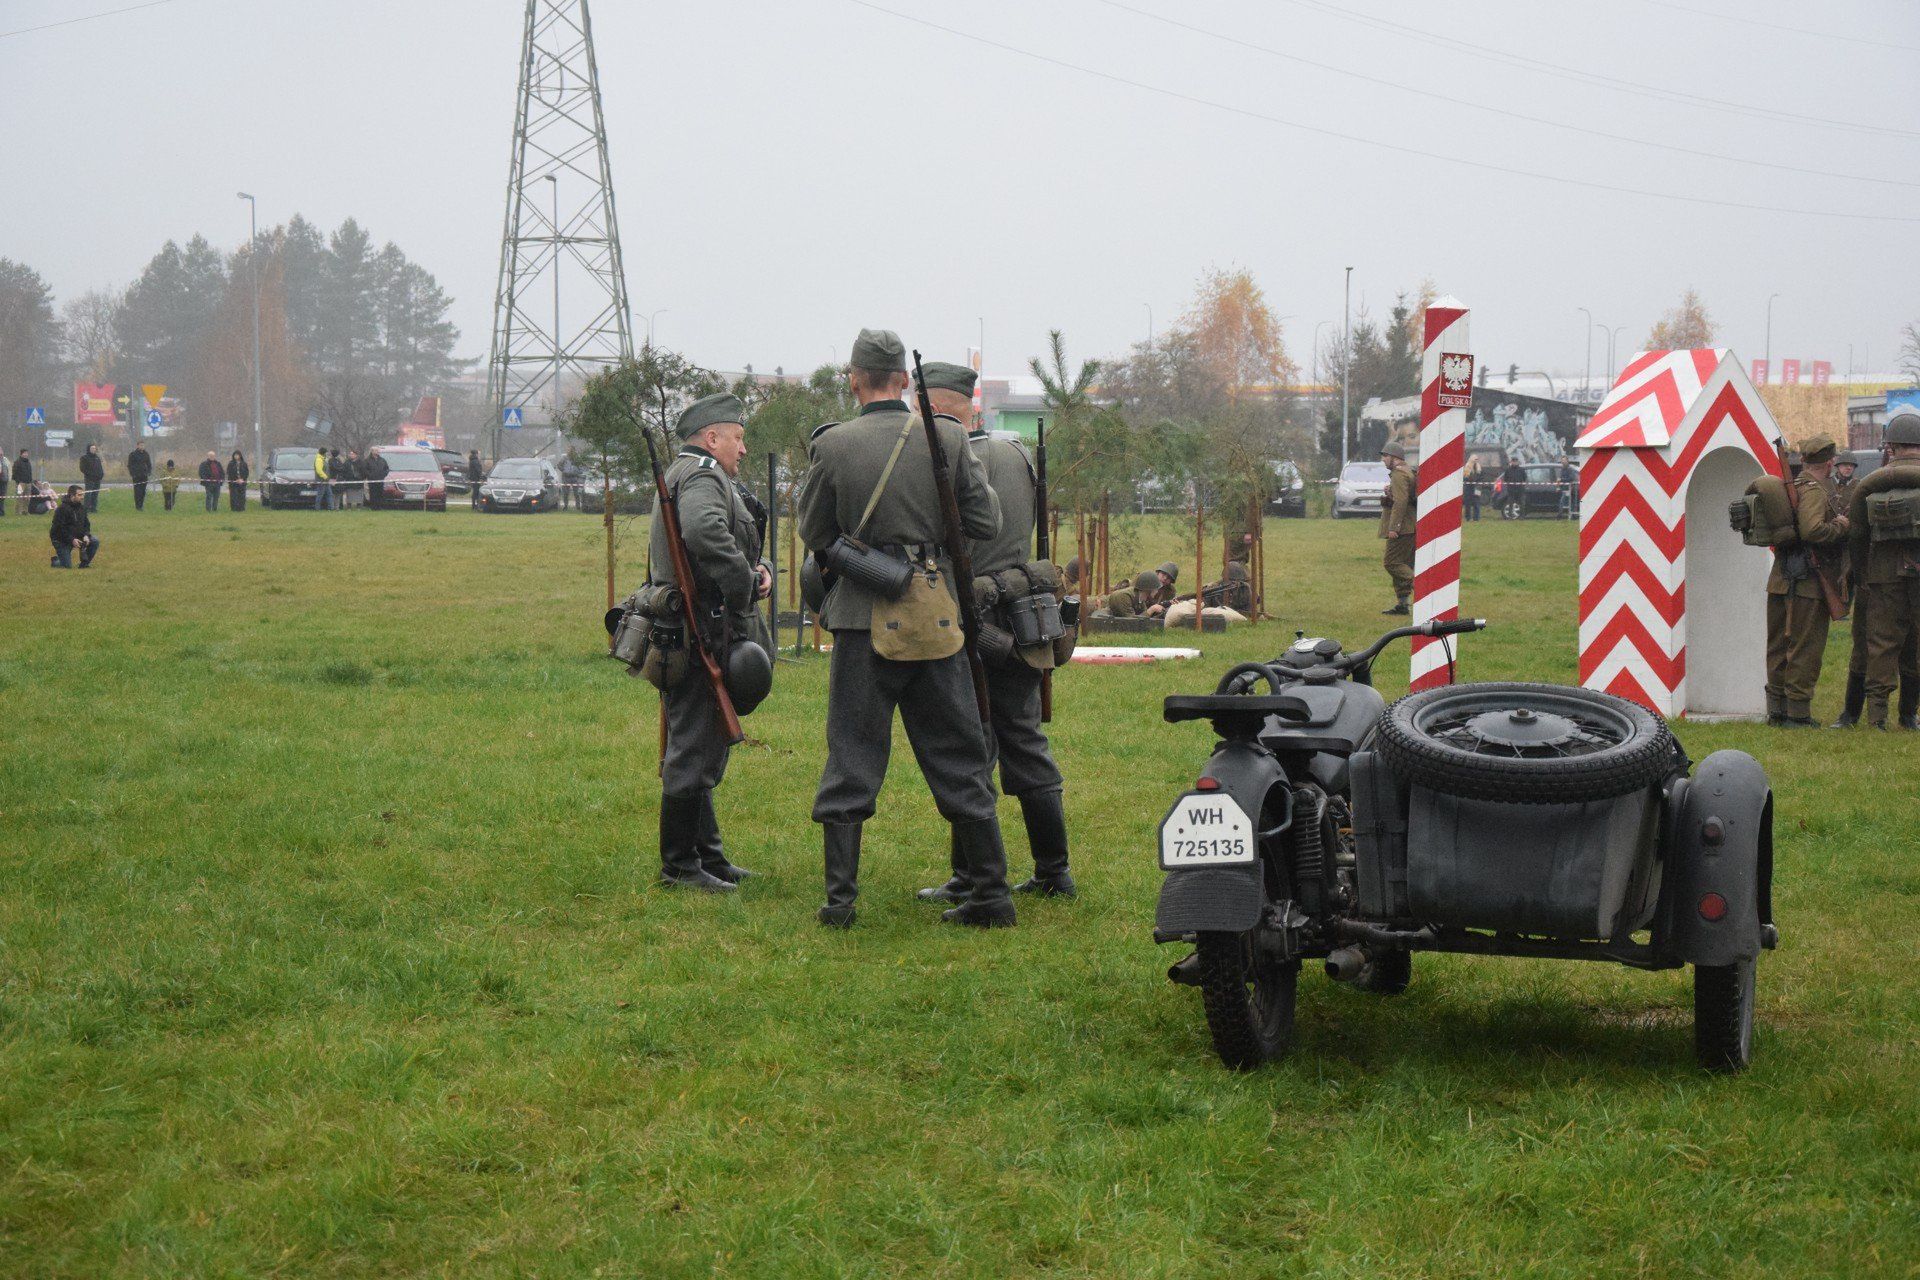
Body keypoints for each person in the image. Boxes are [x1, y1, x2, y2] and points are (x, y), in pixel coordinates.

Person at [798, 328, 1010, 929]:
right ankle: (992, 896)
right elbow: (985, 522)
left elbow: (815, 533)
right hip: (935, 616)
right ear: (904, 381)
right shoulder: (947, 436)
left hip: (861, 621)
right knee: (960, 755)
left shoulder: (834, 445)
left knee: (852, 757)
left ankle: (840, 903)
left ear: (854, 379)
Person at [913, 361, 1073, 905]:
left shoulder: (948, 461)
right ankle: (1054, 871)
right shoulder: (1016, 453)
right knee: (1024, 742)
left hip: (968, 617)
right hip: (1022, 616)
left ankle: (971, 876)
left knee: (969, 749)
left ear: (934, 409)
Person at [648, 393, 775, 892]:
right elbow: (704, 531)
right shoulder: (703, 476)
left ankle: (709, 858)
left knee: (703, 740)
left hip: (697, 625)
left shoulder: (690, 472)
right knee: (694, 747)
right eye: (738, 438)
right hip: (703, 628)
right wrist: (743, 583)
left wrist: (758, 570)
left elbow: (731, 539)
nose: (743, 449)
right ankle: (680, 866)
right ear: (712, 437)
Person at [1754, 434, 1848, 728]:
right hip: (1807, 582)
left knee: (1778, 647)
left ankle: (1777, 711)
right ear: (1830, 462)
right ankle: (1797, 714)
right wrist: (1840, 526)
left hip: (1781, 579)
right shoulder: (1815, 491)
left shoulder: (1791, 487)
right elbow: (1812, 530)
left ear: (1804, 461)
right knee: (1805, 648)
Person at [1844, 411, 1920, 730]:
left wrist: (1862, 574)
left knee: (1880, 644)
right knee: (1916, 644)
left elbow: (1857, 535)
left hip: (1883, 575)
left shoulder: (1870, 484)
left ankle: (1876, 718)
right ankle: (1909, 715)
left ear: (1891, 446)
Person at [1379, 440, 1418, 614]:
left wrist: (1394, 527)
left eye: (1385, 456)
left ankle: (1421, 584)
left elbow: (1400, 502)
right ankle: (1402, 605)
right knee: (1403, 563)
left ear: (1394, 457)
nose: (1383, 460)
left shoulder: (1399, 474)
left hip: (1402, 528)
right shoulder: (1407, 471)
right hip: (1409, 526)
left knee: (1392, 563)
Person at [49, 485, 100, 568]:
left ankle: (84, 565)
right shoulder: (62, 509)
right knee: (67, 566)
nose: (82, 497)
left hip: (77, 537)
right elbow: (60, 529)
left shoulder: (81, 508)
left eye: (82, 495)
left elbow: (86, 524)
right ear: (72, 496)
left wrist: (86, 535)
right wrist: (71, 539)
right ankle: (56, 561)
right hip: (61, 539)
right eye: (79, 495)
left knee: (94, 541)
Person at [79, 444, 105, 512]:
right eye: (92, 448)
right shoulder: (84, 458)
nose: (94, 450)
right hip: (89, 479)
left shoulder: (97, 458)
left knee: (95, 494)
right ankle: (86, 508)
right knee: (88, 494)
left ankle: (93, 508)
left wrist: (101, 474)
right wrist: (90, 475)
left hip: (97, 479)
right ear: (89, 449)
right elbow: (82, 469)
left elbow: (100, 467)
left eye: (94, 448)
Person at [127, 443, 153, 511]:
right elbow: (129, 465)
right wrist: (132, 474)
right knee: (137, 491)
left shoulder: (146, 454)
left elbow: (149, 464)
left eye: (143, 445)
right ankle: (137, 506)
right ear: (137, 446)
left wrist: (149, 472)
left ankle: (141, 505)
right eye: (141, 445)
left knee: (143, 491)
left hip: (144, 476)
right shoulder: (133, 454)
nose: (142, 446)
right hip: (136, 476)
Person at [1462, 456, 1483, 522]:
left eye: (1477, 459)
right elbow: (1465, 477)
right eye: (1475, 459)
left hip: (1477, 488)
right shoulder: (1467, 467)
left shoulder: (1479, 467)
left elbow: (1481, 477)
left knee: (1476, 502)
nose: (1476, 460)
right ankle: (1468, 518)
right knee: (1468, 503)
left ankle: (1476, 518)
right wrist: (1471, 479)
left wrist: (1478, 482)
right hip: (1468, 487)